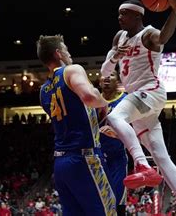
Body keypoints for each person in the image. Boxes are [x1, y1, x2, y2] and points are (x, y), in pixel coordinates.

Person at [100, 0, 176, 215]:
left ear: (137, 16)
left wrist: (175, 12)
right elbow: (105, 73)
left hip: (150, 90)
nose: (119, 17)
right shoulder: (119, 37)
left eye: (124, 13)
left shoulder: (147, 34)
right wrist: (114, 57)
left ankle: (141, 163)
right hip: (136, 99)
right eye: (118, 13)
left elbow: (164, 37)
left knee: (115, 116)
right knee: (161, 155)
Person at [37, 35, 116, 215]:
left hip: (61, 164)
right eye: (65, 49)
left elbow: (73, 115)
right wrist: (104, 102)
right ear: (58, 53)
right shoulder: (71, 70)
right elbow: (88, 98)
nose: (69, 53)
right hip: (85, 158)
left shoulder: (43, 91)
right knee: (107, 212)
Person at [98, 70, 128, 214]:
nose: (107, 77)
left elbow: (137, 129)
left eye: (112, 74)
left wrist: (118, 134)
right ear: (99, 81)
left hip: (117, 158)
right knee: (98, 203)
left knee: (117, 203)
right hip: (96, 159)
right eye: (104, 75)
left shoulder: (126, 100)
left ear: (118, 80)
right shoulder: (92, 100)